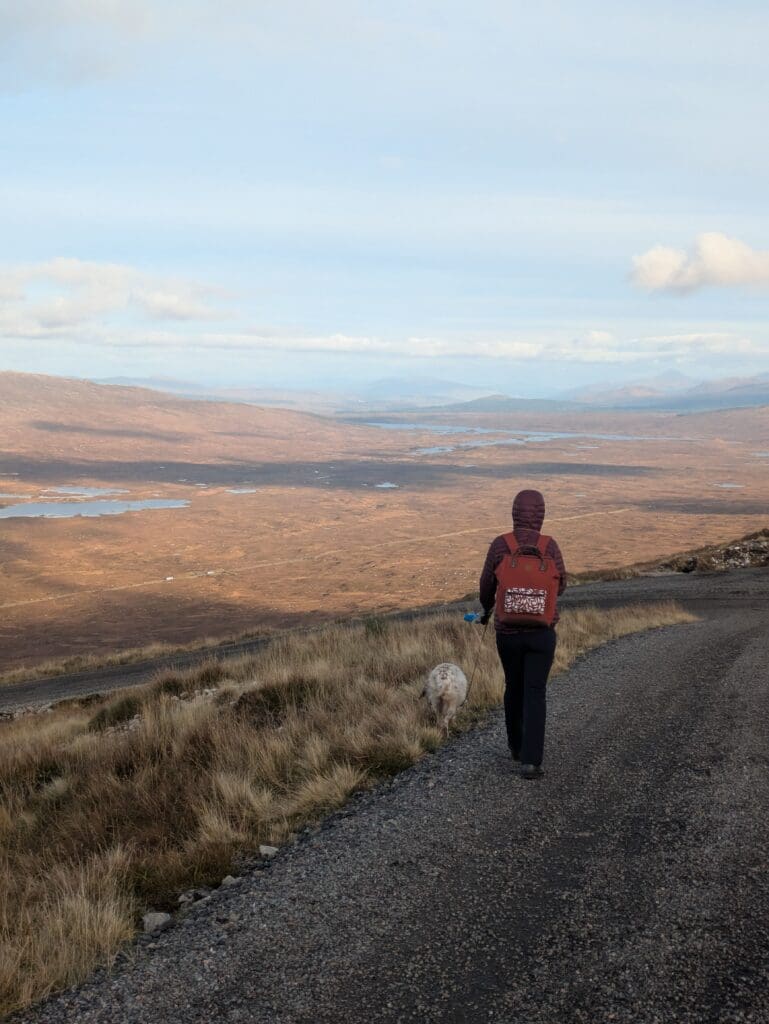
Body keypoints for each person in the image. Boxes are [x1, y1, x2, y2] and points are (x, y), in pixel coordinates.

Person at [478, 488, 567, 780]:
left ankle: (516, 747)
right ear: (541, 515)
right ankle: (531, 762)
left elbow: (486, 585)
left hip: (508, 634)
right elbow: (561, 584)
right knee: (535, 692)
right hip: (542, 634)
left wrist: (487, 607)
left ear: (514, 512)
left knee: (513, 688)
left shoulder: (500, 545)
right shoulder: (550, 546)